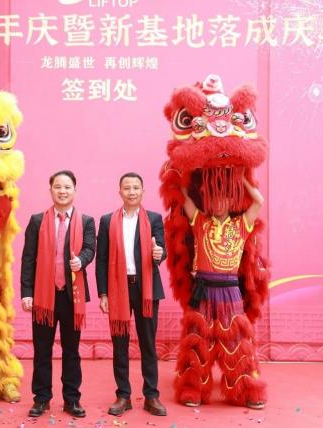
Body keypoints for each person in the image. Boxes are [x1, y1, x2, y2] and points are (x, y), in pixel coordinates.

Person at [179, 175, 267, 409]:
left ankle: (245, 392)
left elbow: (259, 200)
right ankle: (193, 390)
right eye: (213, 199)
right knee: (199, 341)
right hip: (203, 290)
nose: (217, 204)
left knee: (236, 342)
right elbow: (184, 197)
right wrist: (183, 175)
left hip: (230, 291)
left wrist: (243, 178)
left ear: (230, 202)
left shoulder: (242, 224)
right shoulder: (200, 221)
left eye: (222, 199)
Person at [20, 170, 96, 418]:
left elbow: (90, 248)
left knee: (71, 351)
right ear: (51, 190)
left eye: (67, 187)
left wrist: (81, 261)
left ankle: (72, 400)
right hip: (44, 295)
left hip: (71, 296)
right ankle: (41, 399)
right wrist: (27, 292)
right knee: (42, 350)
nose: (63, 191)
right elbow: (28, 259)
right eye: (58, 187)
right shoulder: (37, 221)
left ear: (75, 190)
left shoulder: (86, 221)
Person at [95, 172, 168, 417]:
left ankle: (151, 395)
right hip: (118, 288)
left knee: (148, 343)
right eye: (127, 188)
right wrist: (103, 293)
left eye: (136, 187)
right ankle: (123, 395)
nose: (132, 192)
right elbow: (101, 259)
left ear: (143, 191)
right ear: (120, 192)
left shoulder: (154, 219)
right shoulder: (108, 221)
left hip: (146, 289)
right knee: (120, 344)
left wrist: (159, 254)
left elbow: (162, 250)